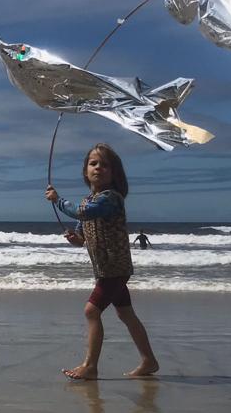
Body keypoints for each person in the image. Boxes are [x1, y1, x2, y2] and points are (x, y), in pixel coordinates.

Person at [45, 143, 158, 380]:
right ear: (85, 171)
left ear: (115, 173)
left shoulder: (110, 198)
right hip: (105, 269)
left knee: (91, 311)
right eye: (93, 163)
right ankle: (149, 360)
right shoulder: (88, 200)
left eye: (105, 165)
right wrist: (74, 238)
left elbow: (83, 213)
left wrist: (58, 200)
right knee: (125, 314)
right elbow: (82, 236)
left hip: (115, 269)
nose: (98, 168)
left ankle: (90, 366)